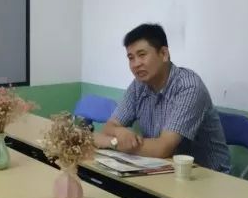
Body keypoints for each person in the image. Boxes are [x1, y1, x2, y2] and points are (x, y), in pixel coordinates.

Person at [97, 24, 231, 172]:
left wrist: (112, 142)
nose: (136, 64)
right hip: (161, 169)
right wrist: (119, 133)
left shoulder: (189, 86)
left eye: (142, 55)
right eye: (131, 58)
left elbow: (163, 148)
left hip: (205, 176)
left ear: (164, 54)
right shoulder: (138, 86)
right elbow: (109, 127)